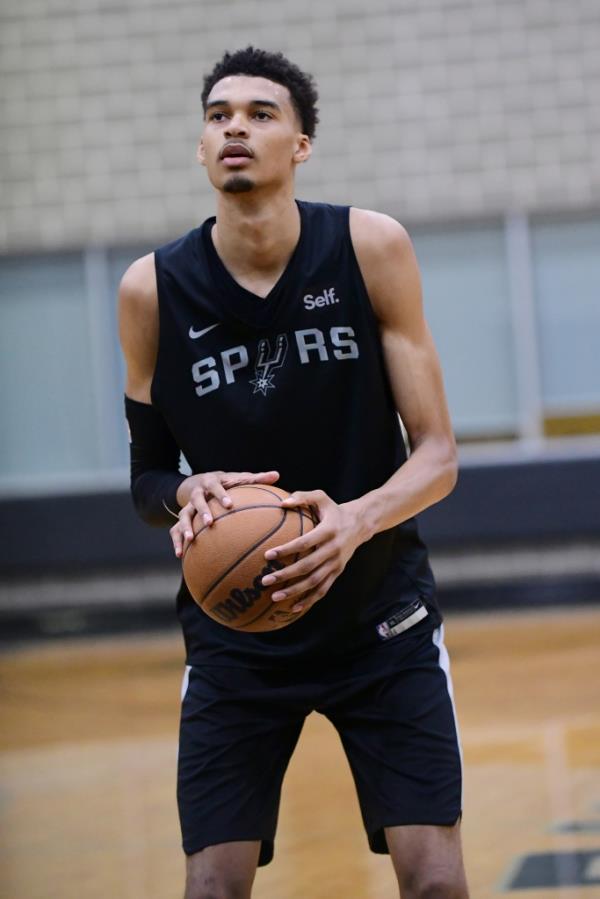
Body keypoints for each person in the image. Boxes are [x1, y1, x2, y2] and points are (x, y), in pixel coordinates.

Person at [118, 46, 469, 899]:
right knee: (210, 888)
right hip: (238, 632)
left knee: (434, 883)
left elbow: (438, 455)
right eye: (218, 115)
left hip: (381, 618)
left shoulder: (369, 246)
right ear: (202, 149)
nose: (235, 125)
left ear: (301, 145)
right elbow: (147, 476)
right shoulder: (151, 290)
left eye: (260, 113)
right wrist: (183, 493)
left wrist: (354, 520)